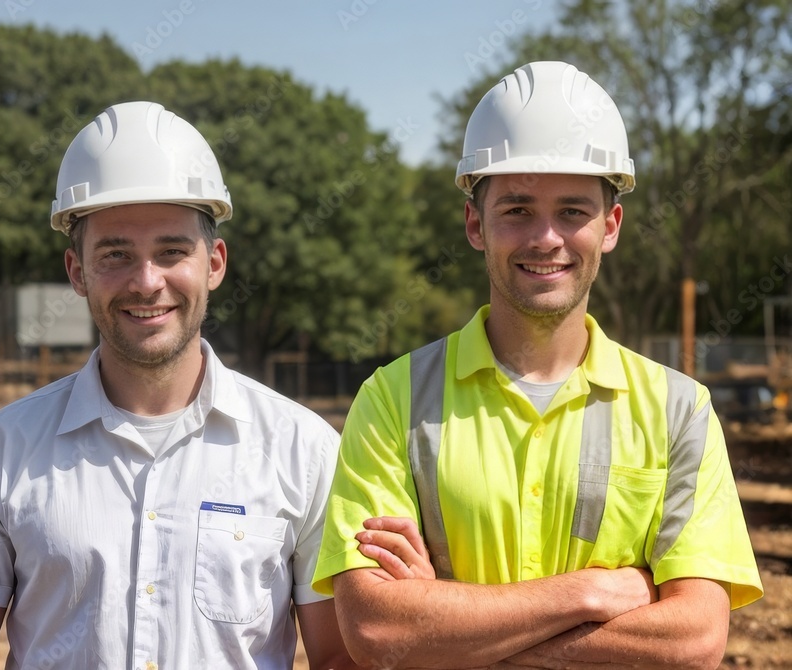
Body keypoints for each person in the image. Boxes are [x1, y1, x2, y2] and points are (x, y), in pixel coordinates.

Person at [311, 61, 763, 669]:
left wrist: (445, 619)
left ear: (611, 226)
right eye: (518, 210)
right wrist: (593, 593)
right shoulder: (393, 399)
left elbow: (693, 643)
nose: (546, 237)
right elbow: (377, 630)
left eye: (573, 211)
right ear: (476, 224)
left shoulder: (680, 410)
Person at [0, 101, 358, 669]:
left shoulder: (302, 448)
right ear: (77, 271)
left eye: (172, 251)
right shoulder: (3, 449)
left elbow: (338, 659)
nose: (147, 282)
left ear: (215, 263)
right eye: (115, 255)